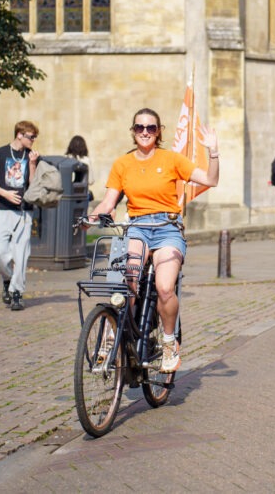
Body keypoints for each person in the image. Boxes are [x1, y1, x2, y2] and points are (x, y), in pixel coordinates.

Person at [90, 108, 219, 373]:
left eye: (151, 128)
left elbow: (210, 179)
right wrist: (94, 215)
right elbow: (108, 200)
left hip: (167, 228)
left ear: (159, 131)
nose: (145, 132)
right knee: (128, 278)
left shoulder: (171, 159)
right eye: (140, 127)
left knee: (163, 287)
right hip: (137, 226)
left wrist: (213, 152)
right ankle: (113, 336)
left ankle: (169, 342)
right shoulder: (122, 164)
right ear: (133, 131)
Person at [0, 121, 41, 311]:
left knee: (21, 254)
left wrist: (32, 165)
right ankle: (8, 279)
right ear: (19, 134)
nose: (33, 140)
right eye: (30, 136)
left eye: (34, 137)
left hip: (24, 211)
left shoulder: (31, 157)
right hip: (1, 208)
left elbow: (33, 185)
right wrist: (5, 193)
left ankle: (17, 292)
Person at [65, 135, 94, 200]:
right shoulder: (86, 160)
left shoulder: (65, 159)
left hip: (67, 194)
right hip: (82, 194)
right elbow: (91, 181)